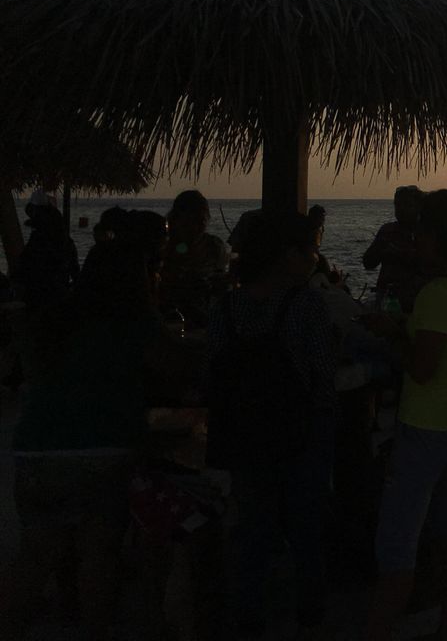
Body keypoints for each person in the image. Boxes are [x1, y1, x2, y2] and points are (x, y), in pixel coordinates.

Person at [2, 221, 191, 640]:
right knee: (98, 554)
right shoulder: (135, 320)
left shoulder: (60, 318)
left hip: (36, 449)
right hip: (103, 449)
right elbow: (177, 368)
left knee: (35, 556)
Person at [365, 190, 447, 641]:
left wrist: (392, 338)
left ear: (435, 237)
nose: (413, 241)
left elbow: (422, 369)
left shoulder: (437, 292)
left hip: (425, 426)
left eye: (420, 232)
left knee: (397, 541)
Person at [206, 211, 339, 639]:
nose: (315, 259)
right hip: (300, 429)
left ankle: (248, 611)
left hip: (243, 429)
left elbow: (215, 370)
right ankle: (310, 609)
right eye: (311, 251)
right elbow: (322, 375)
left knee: (253, 523)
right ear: (288, 255)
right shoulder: (305, 305)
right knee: (305, 522)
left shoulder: (225, 307)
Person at [158, 189, 230, 329]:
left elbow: (220, 280)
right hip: (171, 317)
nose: (196, 227)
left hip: (206, 315)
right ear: (177, 219)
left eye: (201, 221)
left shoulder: (214, 246)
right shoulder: (164, 246)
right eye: (190, 221)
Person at [13, 193, 79, 310]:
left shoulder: (38, 240)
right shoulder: (64, 241)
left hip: (40, 297)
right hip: (57, 296)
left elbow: (23, 269)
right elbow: (75, 271)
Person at [362, 185, 424, 307]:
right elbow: (368, 263)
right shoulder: (387, 230)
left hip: (416, 299)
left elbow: (430, 264)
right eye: (397, 205)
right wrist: (380, 248)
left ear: (418, 207)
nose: (401, 209)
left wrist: (400, 253)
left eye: (407, 205)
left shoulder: (425, 234)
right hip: (386, 297)